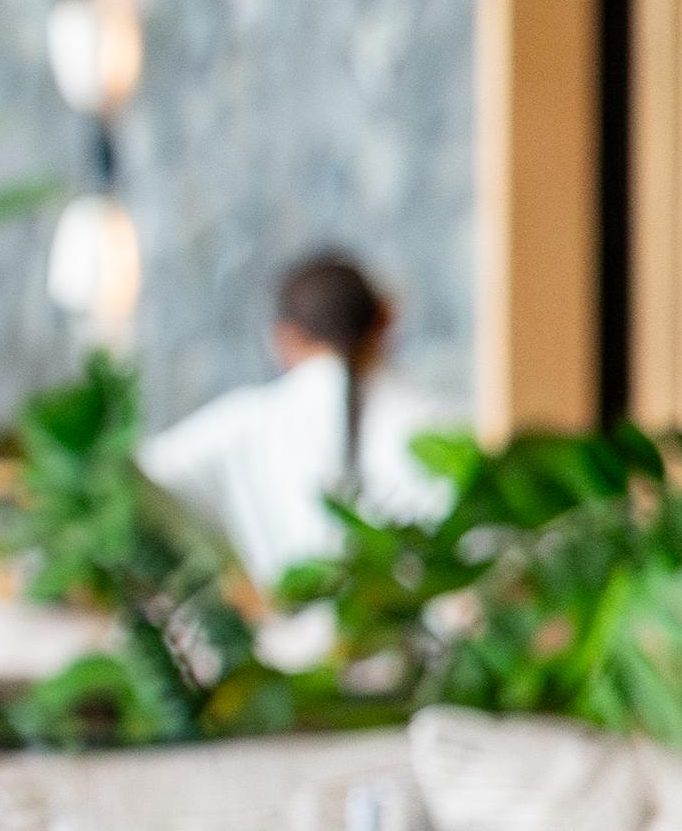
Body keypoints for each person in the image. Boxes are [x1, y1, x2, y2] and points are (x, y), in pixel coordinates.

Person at [143, 249, 457, 584]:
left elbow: (138, 485)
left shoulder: (244, 423)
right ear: (386, 318)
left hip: (274, 631)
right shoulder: (439, 429)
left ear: (284, 337)